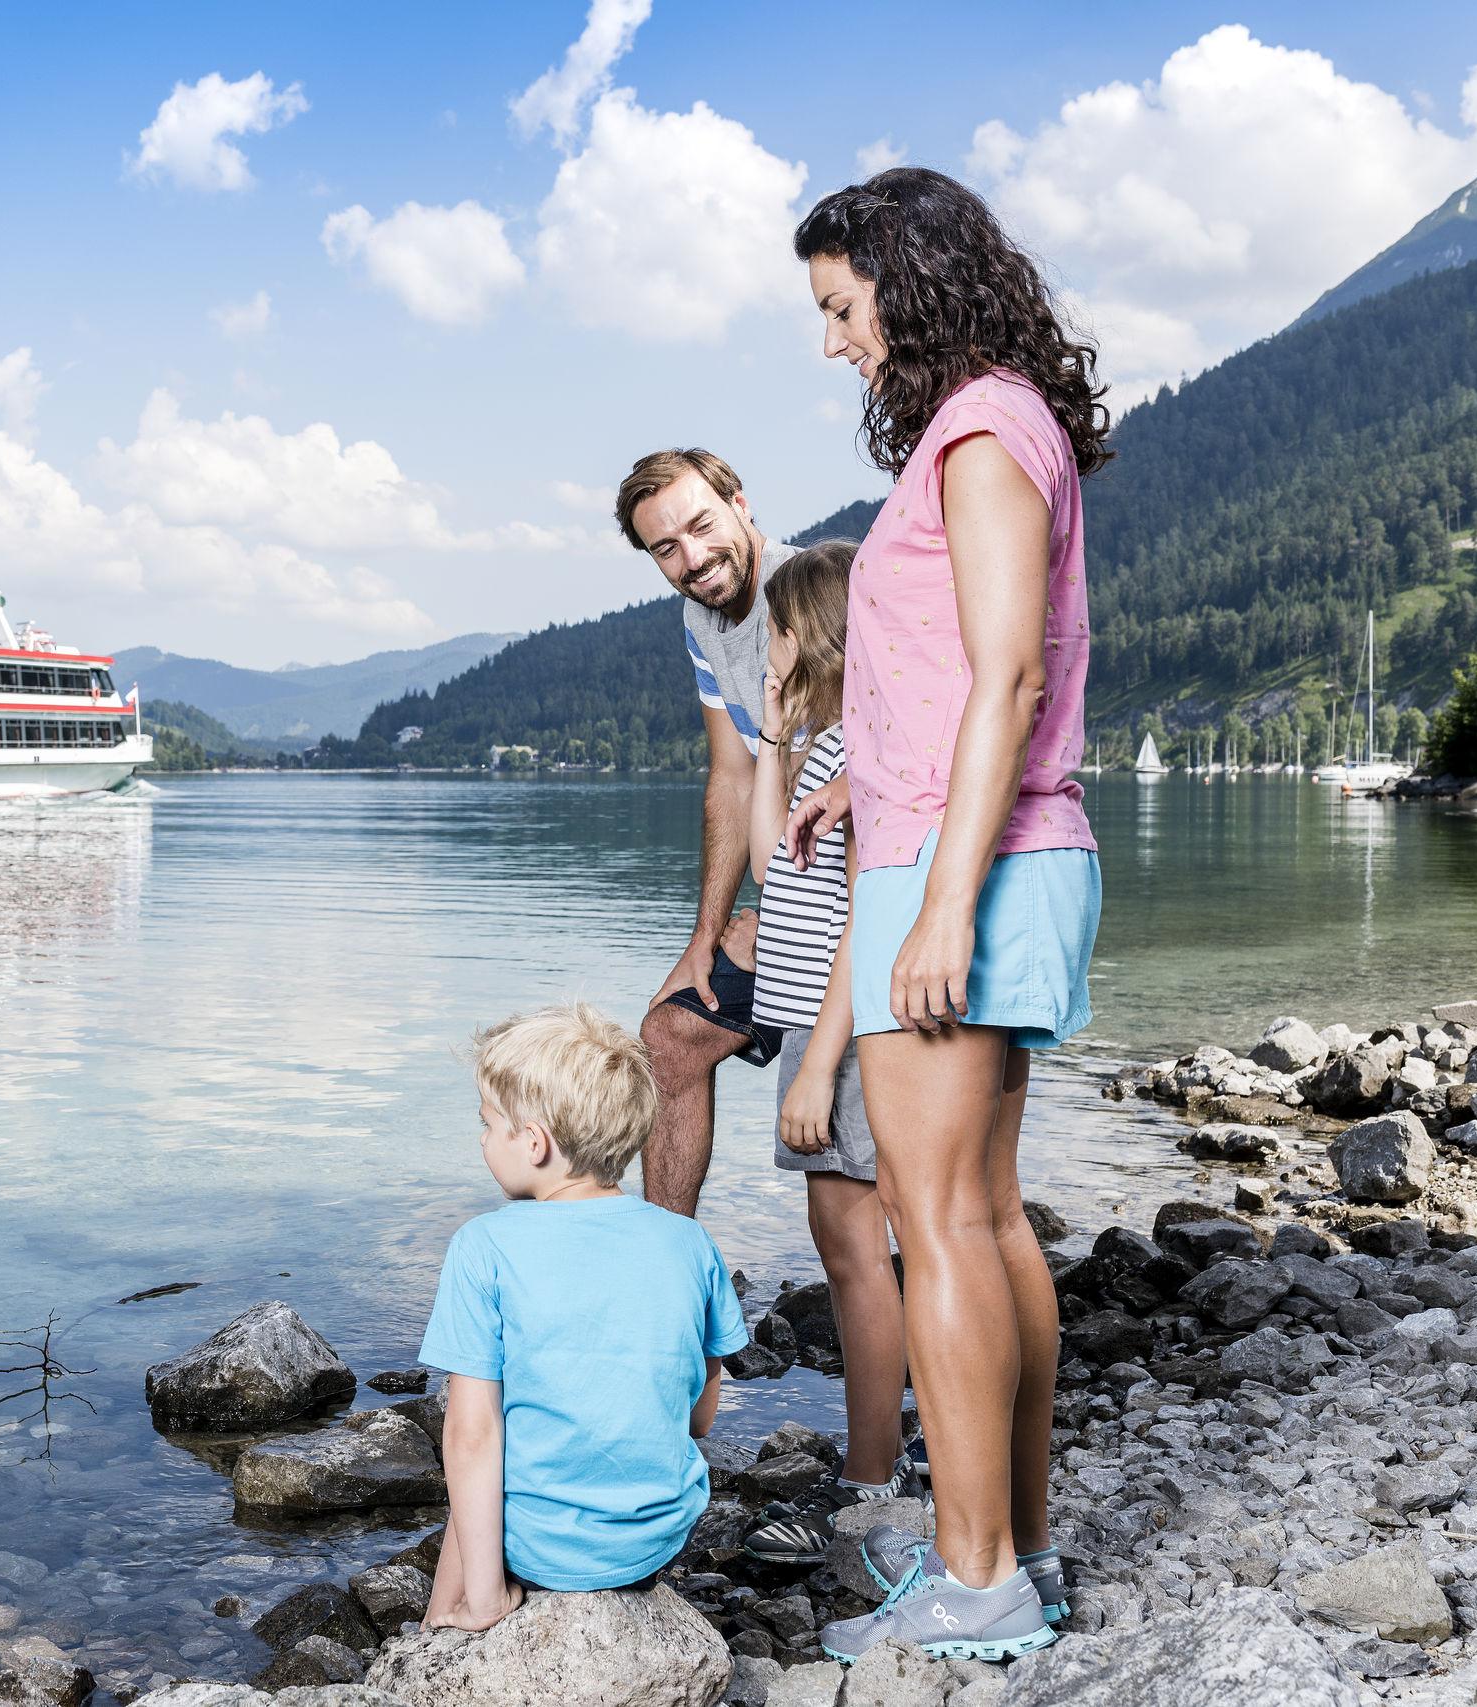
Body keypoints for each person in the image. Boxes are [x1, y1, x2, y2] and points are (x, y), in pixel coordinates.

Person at [788, 165, 1108, 1664]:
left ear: (907, 283)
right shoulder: (999, 420)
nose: (833, 340)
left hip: (964, 869)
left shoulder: (978, 430)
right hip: (966, 842)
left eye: (841, 307)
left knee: (936, 1223)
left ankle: (972, 1579)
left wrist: (938, 905)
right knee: (982, 1215)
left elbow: (1010, 678)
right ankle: (1015, 1551)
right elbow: (955, 684)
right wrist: (863, 796)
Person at [418, 1003, 748, 1633]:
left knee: (479, 1454)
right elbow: (700, 1418)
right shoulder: (688, 1241)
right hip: (660, 1535)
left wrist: (489, 1594)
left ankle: (453, 1619)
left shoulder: (483, 1245)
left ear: (534, 1141)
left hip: (543, 1549)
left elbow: (472, 1435)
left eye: (488, 1124)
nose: (482, 1140)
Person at [728, 540, 915, 1568]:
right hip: (818, 1025)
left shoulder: (859, 758)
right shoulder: (832, 748)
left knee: (854, 1254)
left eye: (775, 631)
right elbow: (771, 866)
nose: (768, 647)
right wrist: (770, 740)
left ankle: (872, 1475)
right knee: (851, 1246)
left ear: (806, 636)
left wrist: (813, 1066)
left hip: (836, 1033)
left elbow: (862, 922)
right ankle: (885, 1457)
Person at [611, 450, 797, 1215]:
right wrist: (705, 936)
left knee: (848, 1174)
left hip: (860, 906)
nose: (691, 558)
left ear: (740, 504)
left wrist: (783, 917)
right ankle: (667, 1259)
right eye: (666, 547)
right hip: (797, 894)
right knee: (669, 1038)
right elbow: (733, 775)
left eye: (701, 525)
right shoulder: (701, 619)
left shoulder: (812, 589)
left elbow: (865, 766)